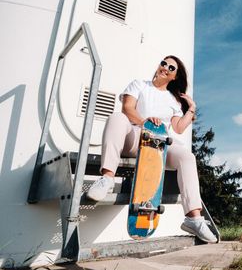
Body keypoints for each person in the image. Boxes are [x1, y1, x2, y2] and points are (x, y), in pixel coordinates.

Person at [86, 55, 217, 243]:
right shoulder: (140, 84)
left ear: (174, 77)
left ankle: (193, 219)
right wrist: (144, 123)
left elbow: (179, 127)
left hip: (158, 146)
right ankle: (106, 178)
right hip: (134, 137)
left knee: (187, 157)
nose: (165, 67)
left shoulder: (173, 100)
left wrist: (192, 108)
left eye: (171, 68)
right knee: (117, 117)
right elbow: (127, 108)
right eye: (163, 63)